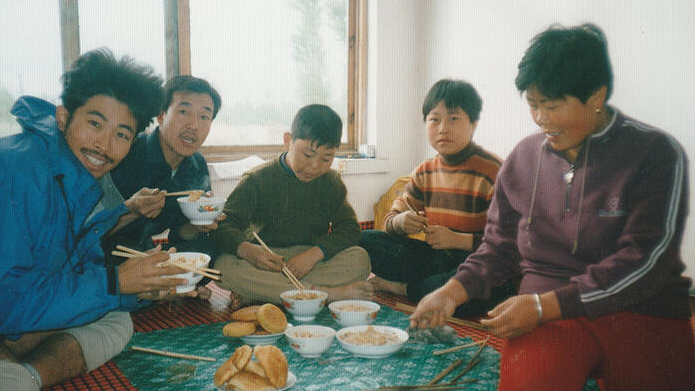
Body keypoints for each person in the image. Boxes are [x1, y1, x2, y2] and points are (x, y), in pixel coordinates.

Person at [409, 24, 695, 391]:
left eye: (553, 105)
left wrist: (546, 306)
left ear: (597, 96)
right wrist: (451, 292)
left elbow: (646, 261)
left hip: (641, 310)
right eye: (533, 105)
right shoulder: (523, 159)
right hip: (545, 313)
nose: (540, 119)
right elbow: (497, 245)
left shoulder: (655, 153)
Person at [0, 49, 191, 391]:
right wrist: (117, 283)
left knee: (117, 318)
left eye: (122, 134)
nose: (105, 144)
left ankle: (22, 379)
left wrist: (139, 288)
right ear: (63, 117)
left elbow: (71, 273)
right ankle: (8, 389)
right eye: (95, 123)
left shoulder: (75, 177)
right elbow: (4, 309)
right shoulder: (11, 169)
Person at [360, 79, 512, 314]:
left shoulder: (493, 171)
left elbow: (507, 243)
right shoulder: (425, 171)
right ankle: (425, 289)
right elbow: (390, 220)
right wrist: (401, 222)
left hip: (476, 263)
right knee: (365, 240)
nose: (443, 128)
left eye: (453, 119)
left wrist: (457, 239)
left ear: (473, 124)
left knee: (483, 291)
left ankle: (404, 289)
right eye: (434, 119)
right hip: (435, 259)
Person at [211, 104, 372, 305]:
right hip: (265, 261)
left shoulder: (331, 183)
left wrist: (315, 254)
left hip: (308, 261)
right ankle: (328, 294)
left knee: (360, 259)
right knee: (223, 267)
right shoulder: (257, 179)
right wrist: (247, 250)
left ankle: (263, 293)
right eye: (308, 155)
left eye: (326, 158)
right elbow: (224, 225)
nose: (315, 166)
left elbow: (349, 229)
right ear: (288, 141)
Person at [107, 75, 224, 258]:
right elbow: (87, 230)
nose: (194, 125)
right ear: (161, 116)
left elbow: (177, 235)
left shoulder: (197, 164)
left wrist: (198, 224)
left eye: (204, 116)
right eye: (184, 112)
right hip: (114, 258)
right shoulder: (127, 153)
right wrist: (130, 211)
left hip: (165, 256)